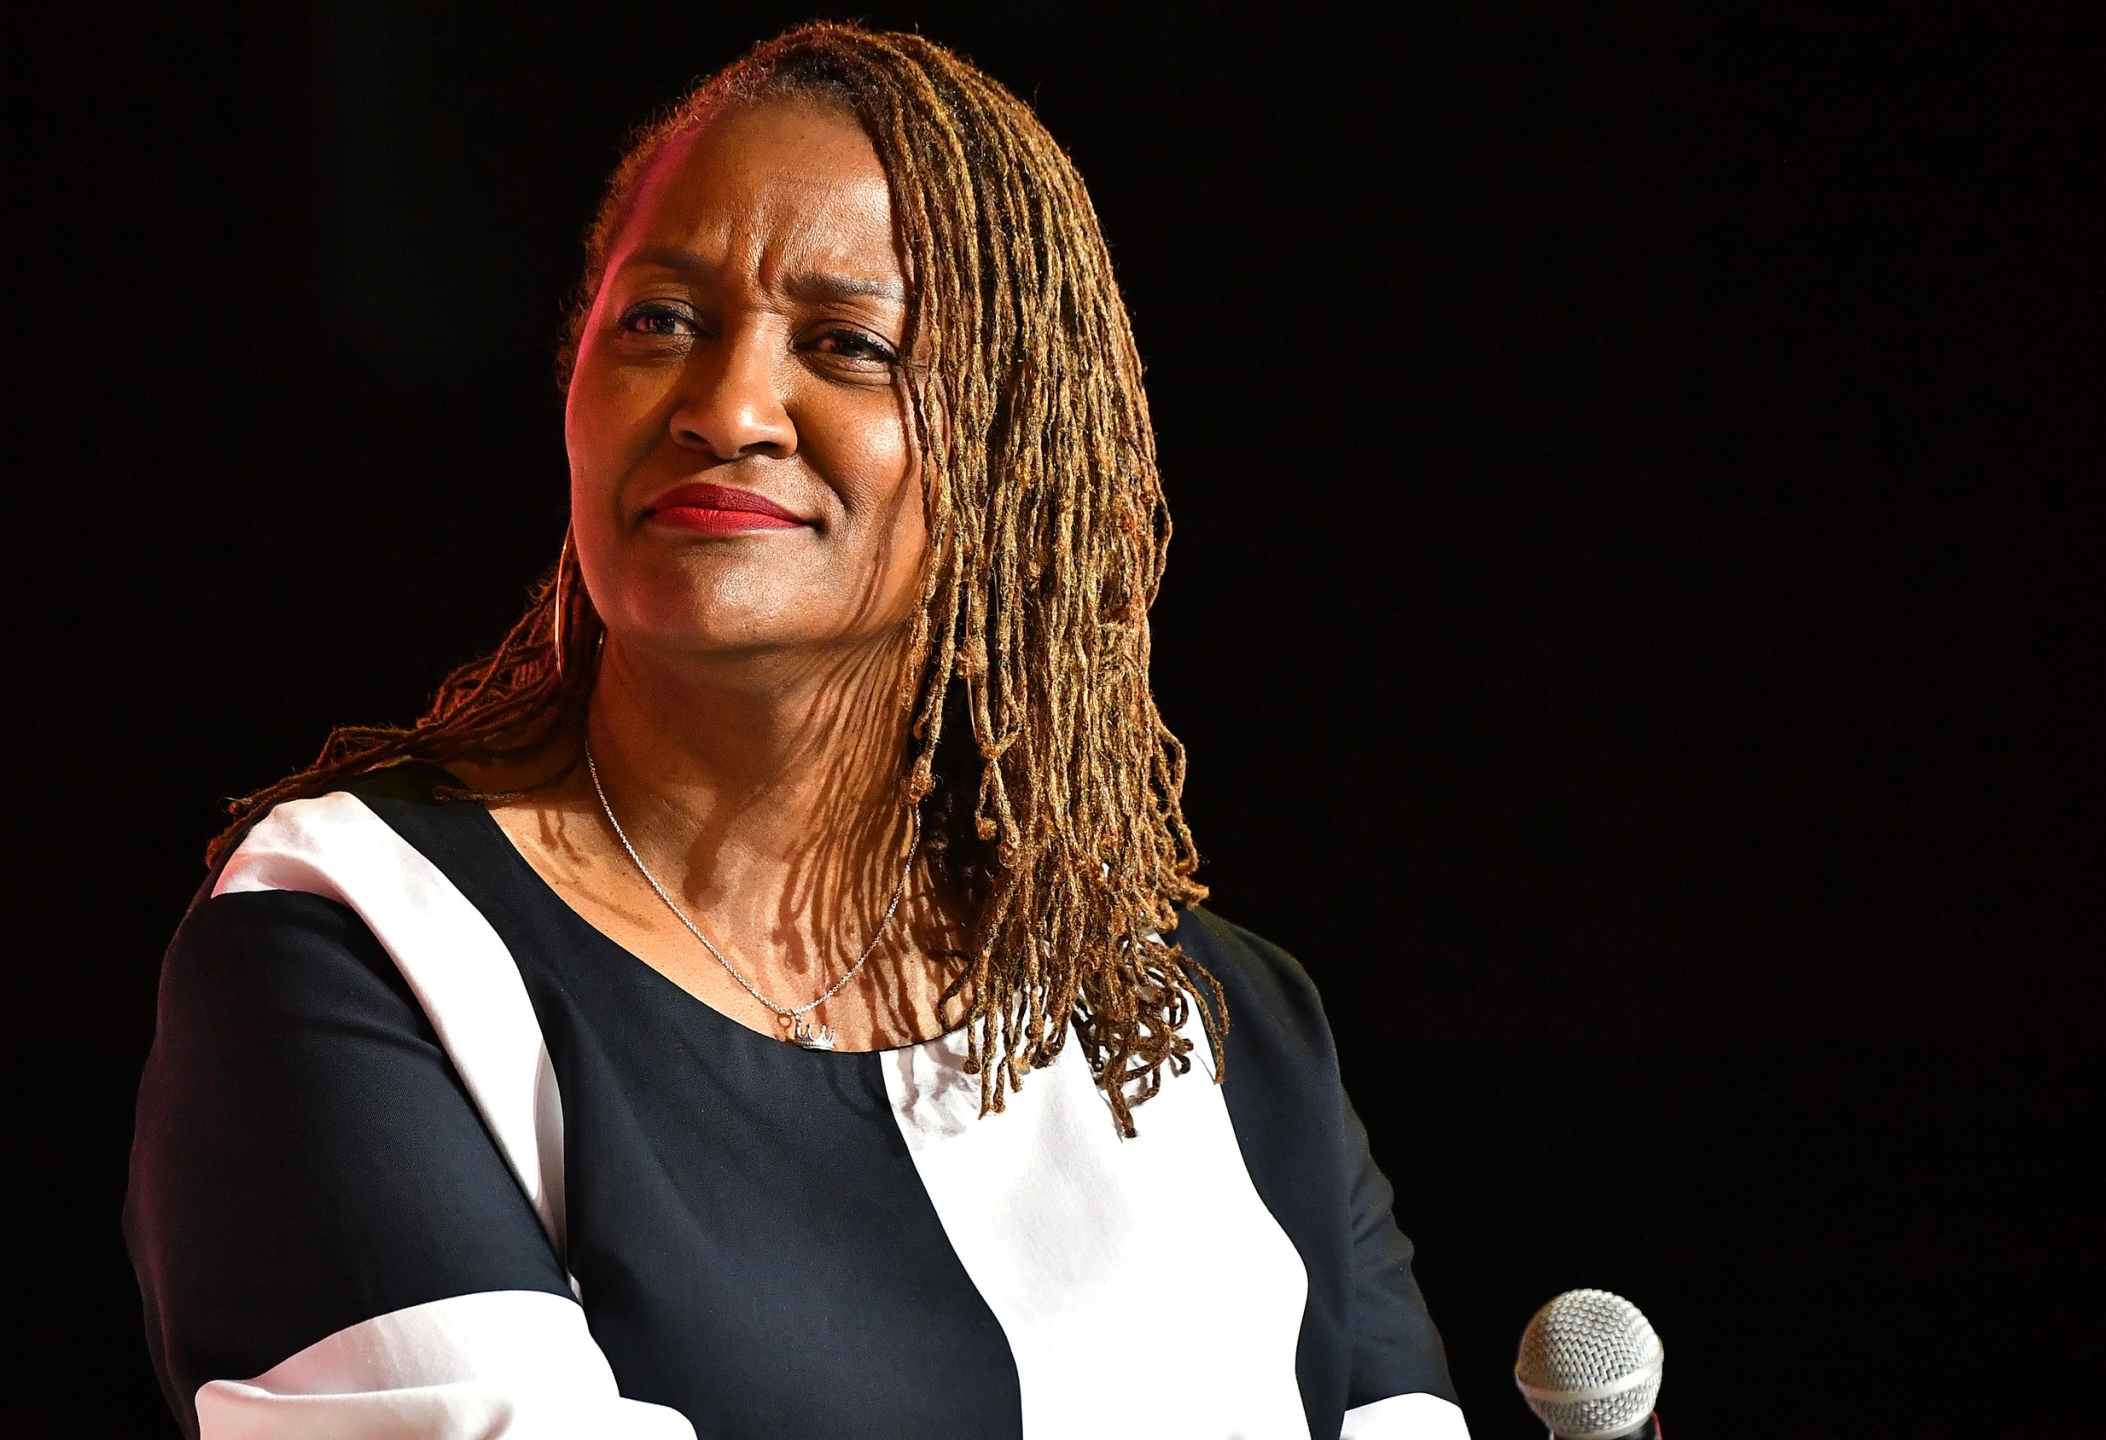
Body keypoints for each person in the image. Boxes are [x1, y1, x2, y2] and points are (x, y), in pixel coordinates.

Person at [125, 22, 1464, 1440]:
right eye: (660, 320)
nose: (727, 407)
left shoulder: (1215, 1029)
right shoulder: (360, 937)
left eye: (848, 344)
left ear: (1014, 452)